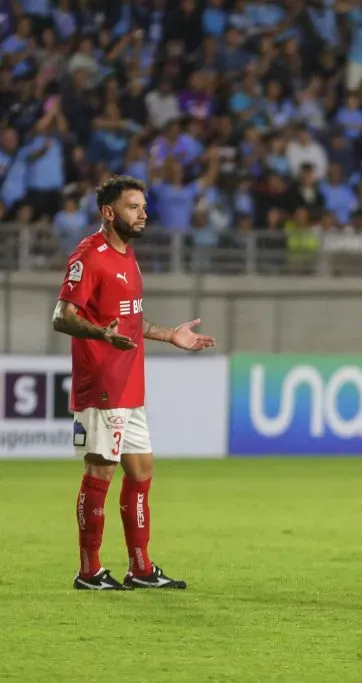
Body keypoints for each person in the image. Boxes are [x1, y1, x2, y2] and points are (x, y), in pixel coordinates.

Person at [53, 175, 217, 591]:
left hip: (129, 385)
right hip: (102, 382)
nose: (143, 214)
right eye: (133, 207)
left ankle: (140, 568)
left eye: (144, 206)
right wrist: (101, 335)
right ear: (109, 213)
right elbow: (62, 317)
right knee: (100, 471)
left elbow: (129, 320)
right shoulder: (89, 255)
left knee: (141, 471)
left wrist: (170, 335)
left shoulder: (129, 255)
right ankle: (89, 571)